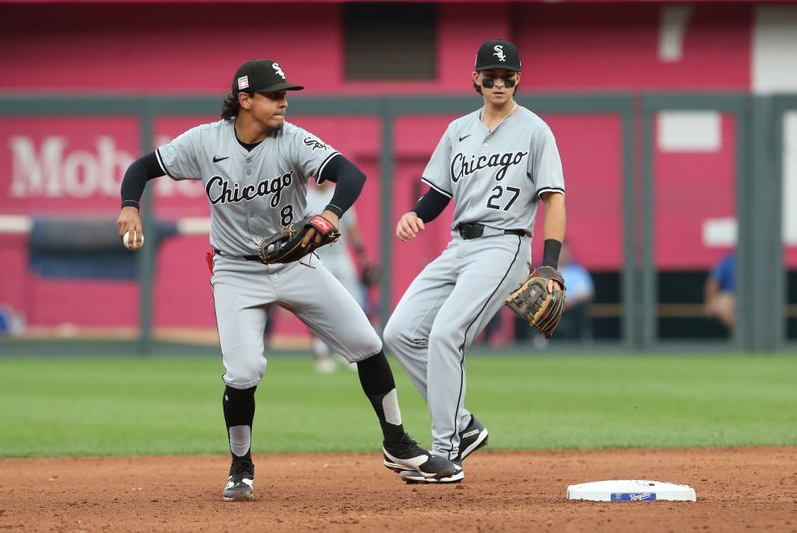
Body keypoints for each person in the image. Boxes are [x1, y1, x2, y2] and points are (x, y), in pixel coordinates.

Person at [116, 59, 455, 501]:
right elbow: (142, 167)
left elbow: (351, 174)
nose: (283, 101)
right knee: (243, 372)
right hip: (236, 269)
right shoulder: (204, 142)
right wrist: (129, 204)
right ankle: (241, 466)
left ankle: (398, 444)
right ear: (245, 100)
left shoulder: (293, 139)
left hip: (296, 262)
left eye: (284, 93)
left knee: (368, 345)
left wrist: (329, 214)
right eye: (273, 94)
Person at [383, 39, 567, 484]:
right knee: (400, 332)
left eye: (507, 76)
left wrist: (550, 265)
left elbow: (553, 200)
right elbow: (440, 193)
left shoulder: (536, 130)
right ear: (476, 79)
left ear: (518, 79)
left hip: (504, 246)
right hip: (457, 246)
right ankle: (463, 425)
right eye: (491, 75)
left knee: (447, 333)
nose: (499, 82)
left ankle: (445, 450)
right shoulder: (458, 130)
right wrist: (415, 214)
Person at [306, 181, 369, 373]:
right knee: (318, 306)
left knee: (353, 303)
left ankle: (348, 352)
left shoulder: (339, 194)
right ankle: (322, 354)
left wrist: (362, 254)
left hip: (340, 255)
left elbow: (351, 228)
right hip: (317, 256)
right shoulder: (306, 198)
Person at [554, 241, 594, 341]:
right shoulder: (546, 272)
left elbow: (588, 293)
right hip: (553, 305)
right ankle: (539, 339)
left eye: (565, 252)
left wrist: (572, 300)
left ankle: (581, 338)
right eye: (560, 252)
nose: (562, 255)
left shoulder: (579, 272)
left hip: (573, 306)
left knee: (581, 309)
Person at [704, 251, 736, 332]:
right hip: (730, 296)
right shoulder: (728, 261)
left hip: (751, 296)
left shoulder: (753, 260)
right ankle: (738, 333)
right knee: (723, 303)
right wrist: (709, 301)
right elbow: (713, 283)